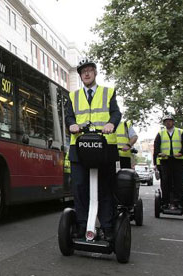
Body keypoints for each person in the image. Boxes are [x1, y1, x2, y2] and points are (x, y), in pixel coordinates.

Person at [65, 58, 121, 241]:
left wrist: (111, 124)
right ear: (80, 76)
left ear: (95, 73)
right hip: (80, 147)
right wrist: (72, 125)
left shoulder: (108, 92)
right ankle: (82, 225)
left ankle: (107, 227)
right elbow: (68, 116)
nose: (86, 73)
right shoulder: (73, 96)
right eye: (83, 71)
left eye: (90, 70)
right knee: (80, 187)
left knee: (105, 188)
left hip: (104, 147)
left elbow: (116, 113)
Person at [153, 115, 183, 209]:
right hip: (165, 160)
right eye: (166, 121)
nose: (168, 123)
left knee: (178, 180)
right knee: (165, 180)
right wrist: (159, 154)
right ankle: (165, 201)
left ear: (173, 122)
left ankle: (178, 200)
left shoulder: (180, 131)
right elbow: (156, 146)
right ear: (164, 123)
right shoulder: (160, 133)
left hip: (177, 160)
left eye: (169, 121)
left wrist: (181, 153)